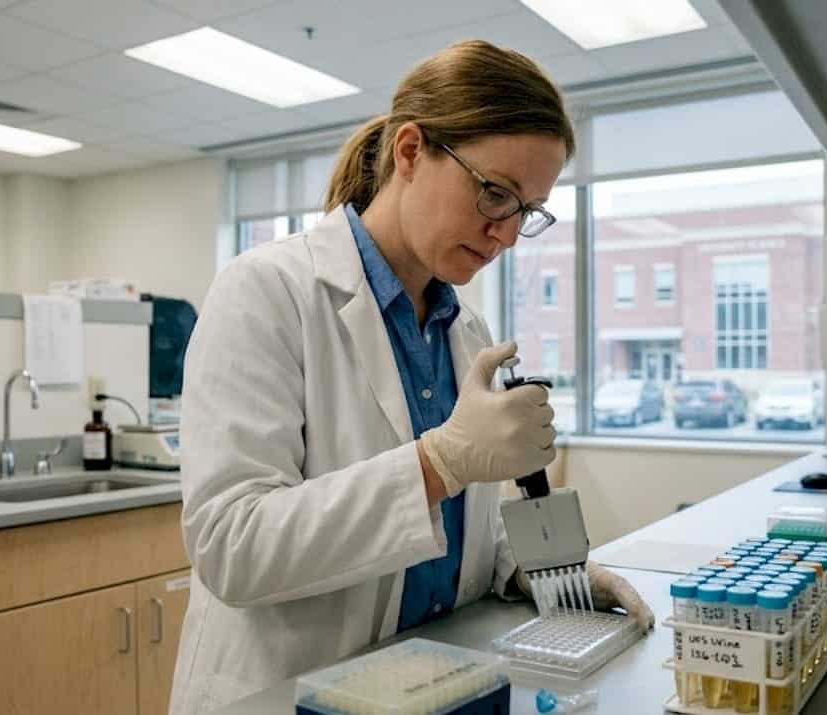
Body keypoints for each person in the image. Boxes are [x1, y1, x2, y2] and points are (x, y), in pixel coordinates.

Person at [170, 40, 653, 714]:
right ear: (409, 152)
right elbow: (232, 547)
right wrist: (438, 462)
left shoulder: (467, 333)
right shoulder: (267, 293)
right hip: (286, 695)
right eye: (494, 193)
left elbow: (463, 541)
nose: (507, 234)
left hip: (433, 687)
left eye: (528, 211)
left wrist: (538, 572)